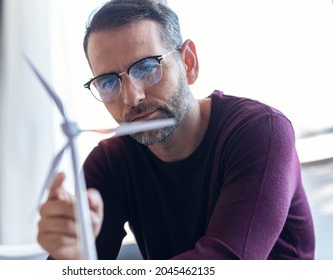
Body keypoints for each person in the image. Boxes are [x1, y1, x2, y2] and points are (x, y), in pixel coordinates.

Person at [37, 0, 315, 260]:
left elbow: (224, 266)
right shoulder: (111, 162)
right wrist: (70, 256)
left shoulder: (260, 132)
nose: (132, 98)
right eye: (109, 82)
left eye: (146, 68)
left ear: (189, 63)